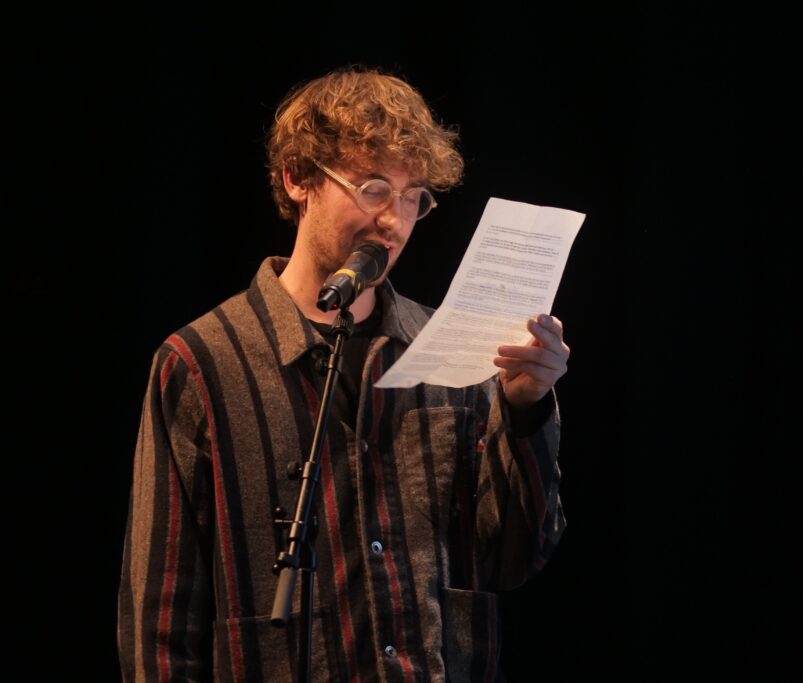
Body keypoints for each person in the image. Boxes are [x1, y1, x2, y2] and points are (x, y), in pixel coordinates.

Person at [117, 67, 568, 682]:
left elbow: (514, 558)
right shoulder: (200, 362)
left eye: (413, 198)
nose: (396, 223)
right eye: (374, 189)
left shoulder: (455, 353)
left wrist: (526, 409)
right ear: (297, 178)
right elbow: (160, 622)